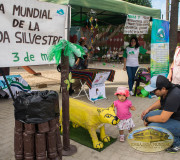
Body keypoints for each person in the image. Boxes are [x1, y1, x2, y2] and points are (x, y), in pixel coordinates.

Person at [141, 75, 180, 153]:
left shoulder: (174, 95)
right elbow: (161, 102)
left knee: (152, 127)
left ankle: (177, 143)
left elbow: (163, 118)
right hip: (173, 115)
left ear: (163, 89)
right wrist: (149, 109)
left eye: (154, 90)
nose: (152, 92)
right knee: (146, 115)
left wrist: (148, 120)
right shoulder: (167, 89)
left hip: (177, 120)